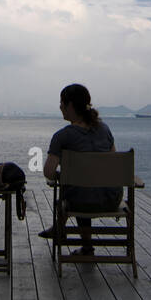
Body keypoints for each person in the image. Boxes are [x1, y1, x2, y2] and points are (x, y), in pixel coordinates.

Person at [38, 83, 121, 254]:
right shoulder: (104, 129)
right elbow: (114, 162)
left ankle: (67, 235)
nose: (60, 106)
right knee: (84, 187)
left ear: (70, 105)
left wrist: (64, 174)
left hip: (80, 202)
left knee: (76, 191)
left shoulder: (62, 136)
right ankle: (82, 244)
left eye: (62, 102)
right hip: (111, 199)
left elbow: (48, 173)